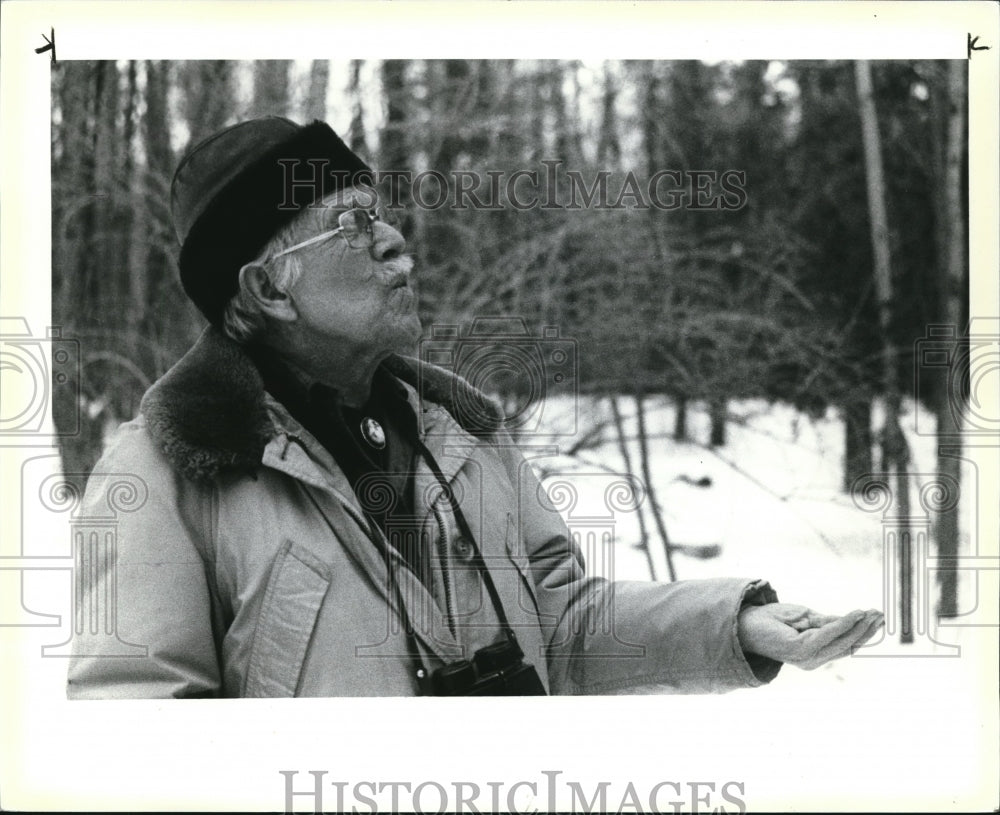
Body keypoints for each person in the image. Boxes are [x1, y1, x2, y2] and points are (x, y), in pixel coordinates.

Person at [66, 116, 883, 698]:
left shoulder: (463, 433)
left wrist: (735, 626)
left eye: (381, 214)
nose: (396, 243)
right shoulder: (166, 474)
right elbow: (135, 740)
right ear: (268, 287)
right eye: (353, 223)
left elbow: (562, 627)